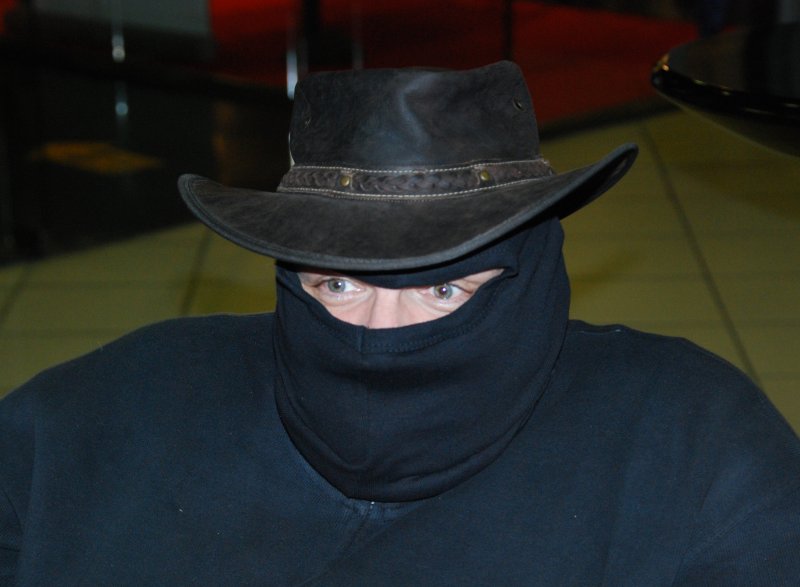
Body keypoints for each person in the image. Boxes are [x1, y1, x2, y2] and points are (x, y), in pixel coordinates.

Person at [1, 61, 799, 585]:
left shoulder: (698, 456)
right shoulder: (95, 425)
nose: (380, 333)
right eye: (337, 284)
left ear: (532, 271)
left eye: (443, 290)